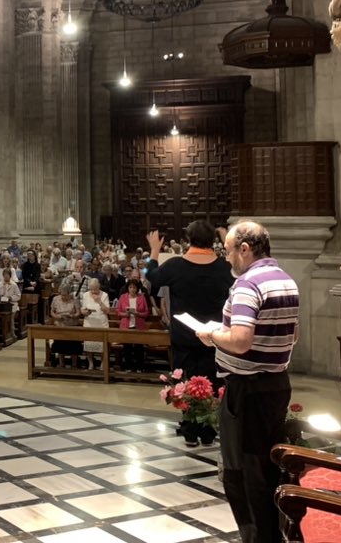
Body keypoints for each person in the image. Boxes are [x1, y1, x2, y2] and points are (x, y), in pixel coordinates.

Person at [198, 220, 299, 543]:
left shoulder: (247, 284)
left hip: (247, 391)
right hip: (276, 384)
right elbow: (293, 334)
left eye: (228, 251)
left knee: (242, 474)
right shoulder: (285, 280)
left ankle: (257, 538)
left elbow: (241, 341)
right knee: (266, 470)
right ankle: (271, 535)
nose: (226, 257)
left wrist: (212, 334)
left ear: (245, 249)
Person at [145, 220, 233, 381]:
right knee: (213, 386)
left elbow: (149, 274)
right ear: (213, 240)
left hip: (183, 337)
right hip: (215, 337)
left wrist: (154, 251)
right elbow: (244, 271)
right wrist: (229, 246)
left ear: (189, 238)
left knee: (185, 388)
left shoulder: (175, 266)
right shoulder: (224, 267)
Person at [116, 279, 150, 370]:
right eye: (130, 287)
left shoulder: (141, 297)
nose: (132, 289)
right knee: (127, 347)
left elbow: (146, 312)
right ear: (128, 288)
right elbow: (118, 311)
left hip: (138, 325)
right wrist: (125, 314)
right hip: (126, 325)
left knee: (139, 347)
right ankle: (128, 366)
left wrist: (138, 313)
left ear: (137, 288)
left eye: (134, 287)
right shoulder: (123, 297)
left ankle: (139, 367)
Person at [49, 283, 82, 368]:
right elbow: (52, 312)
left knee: (73, 345)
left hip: (72, 326)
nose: (63, 297)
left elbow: (78, 313)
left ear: (69, 293)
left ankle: (74, 364)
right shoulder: (55, 299)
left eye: (65, 295)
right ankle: (61, 363)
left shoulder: (75, 300)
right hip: (60, 325)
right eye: (61, 295)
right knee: (60, 345)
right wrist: (57, 316)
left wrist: (73, 316)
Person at [80, 277, 110, 370]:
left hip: (101, 323)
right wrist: (84, 312)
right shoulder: (85, 295)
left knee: (102, 345)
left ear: (99, 286)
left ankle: (102, 363)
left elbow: (107, 311)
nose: (93, 291)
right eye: (91, 289)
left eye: (95, 289)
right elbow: (82, 309)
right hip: (89, 323)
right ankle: (91, 363)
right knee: (89, 345)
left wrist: (99, 301)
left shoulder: (104, 295)